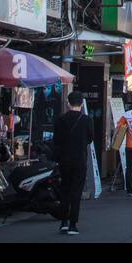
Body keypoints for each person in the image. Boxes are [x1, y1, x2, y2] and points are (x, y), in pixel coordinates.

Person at [52, 92, 93, 235]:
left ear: (68, 103)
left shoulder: (60, 119)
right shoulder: (87, 120)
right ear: (81, 104)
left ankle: (63, 222)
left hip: (64, 160)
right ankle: (73, 225)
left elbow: (56, 140)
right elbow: (90, 139)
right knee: (76, 192)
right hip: (79, 160)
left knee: (65, 190)